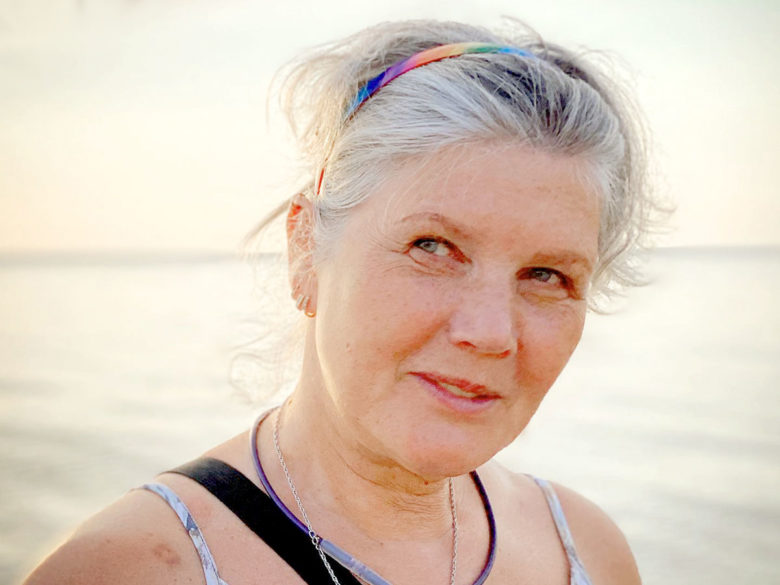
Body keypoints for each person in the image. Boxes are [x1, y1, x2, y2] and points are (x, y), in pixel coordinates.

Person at [24, 18, 657, 585]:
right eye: (432, 247)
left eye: (547, 275)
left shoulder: (586, 550)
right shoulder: (133, 567)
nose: (490, 332)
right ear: (306, 248)